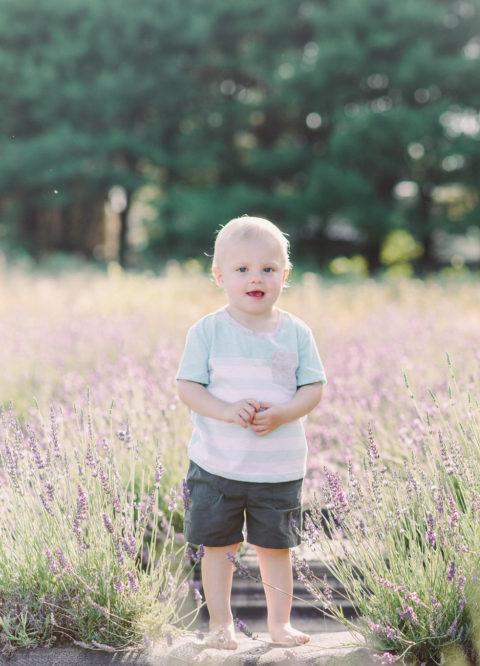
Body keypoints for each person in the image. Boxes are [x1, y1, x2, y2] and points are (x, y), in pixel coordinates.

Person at [176, 216, 326, 649]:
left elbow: (312, 388)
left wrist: (282, 414)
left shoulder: (296, 332)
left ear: (286, 275)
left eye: (268, 269)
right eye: (242, 270)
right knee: (217, 547)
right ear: (220, 276)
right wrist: (225, 410)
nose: (255, 278)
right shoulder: (208, 330)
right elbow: (188, 387)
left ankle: (279, 624)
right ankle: (220, 622)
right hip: (217, 464)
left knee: (275, 550)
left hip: (276, 468)